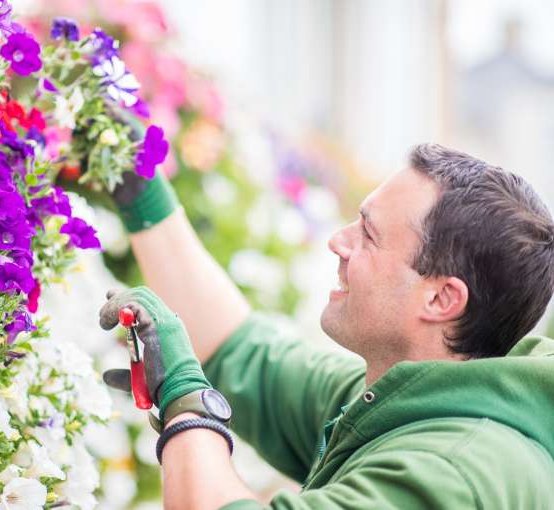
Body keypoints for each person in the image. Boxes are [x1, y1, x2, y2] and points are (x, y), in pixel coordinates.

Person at [98, 143, 554, 510]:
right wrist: (143, 195)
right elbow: (241, 352)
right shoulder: (409, 397)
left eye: (368, 236)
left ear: (440, 298)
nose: (338, 240)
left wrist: (183, 398)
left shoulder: (454, 472)